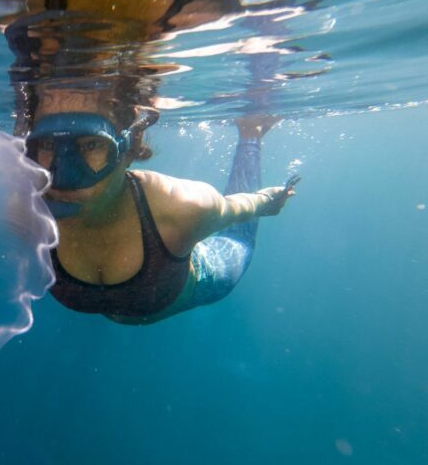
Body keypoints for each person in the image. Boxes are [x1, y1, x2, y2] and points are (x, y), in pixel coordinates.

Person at [24, 83, 298, 323]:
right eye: (47, 144)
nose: (64, 174)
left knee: (238, 238)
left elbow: (241, 208)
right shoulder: (22, 211)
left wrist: (267, 201)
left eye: (92, 145)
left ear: (129, 149)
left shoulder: (183, 208)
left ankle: (251, 134)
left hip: (205, 278)